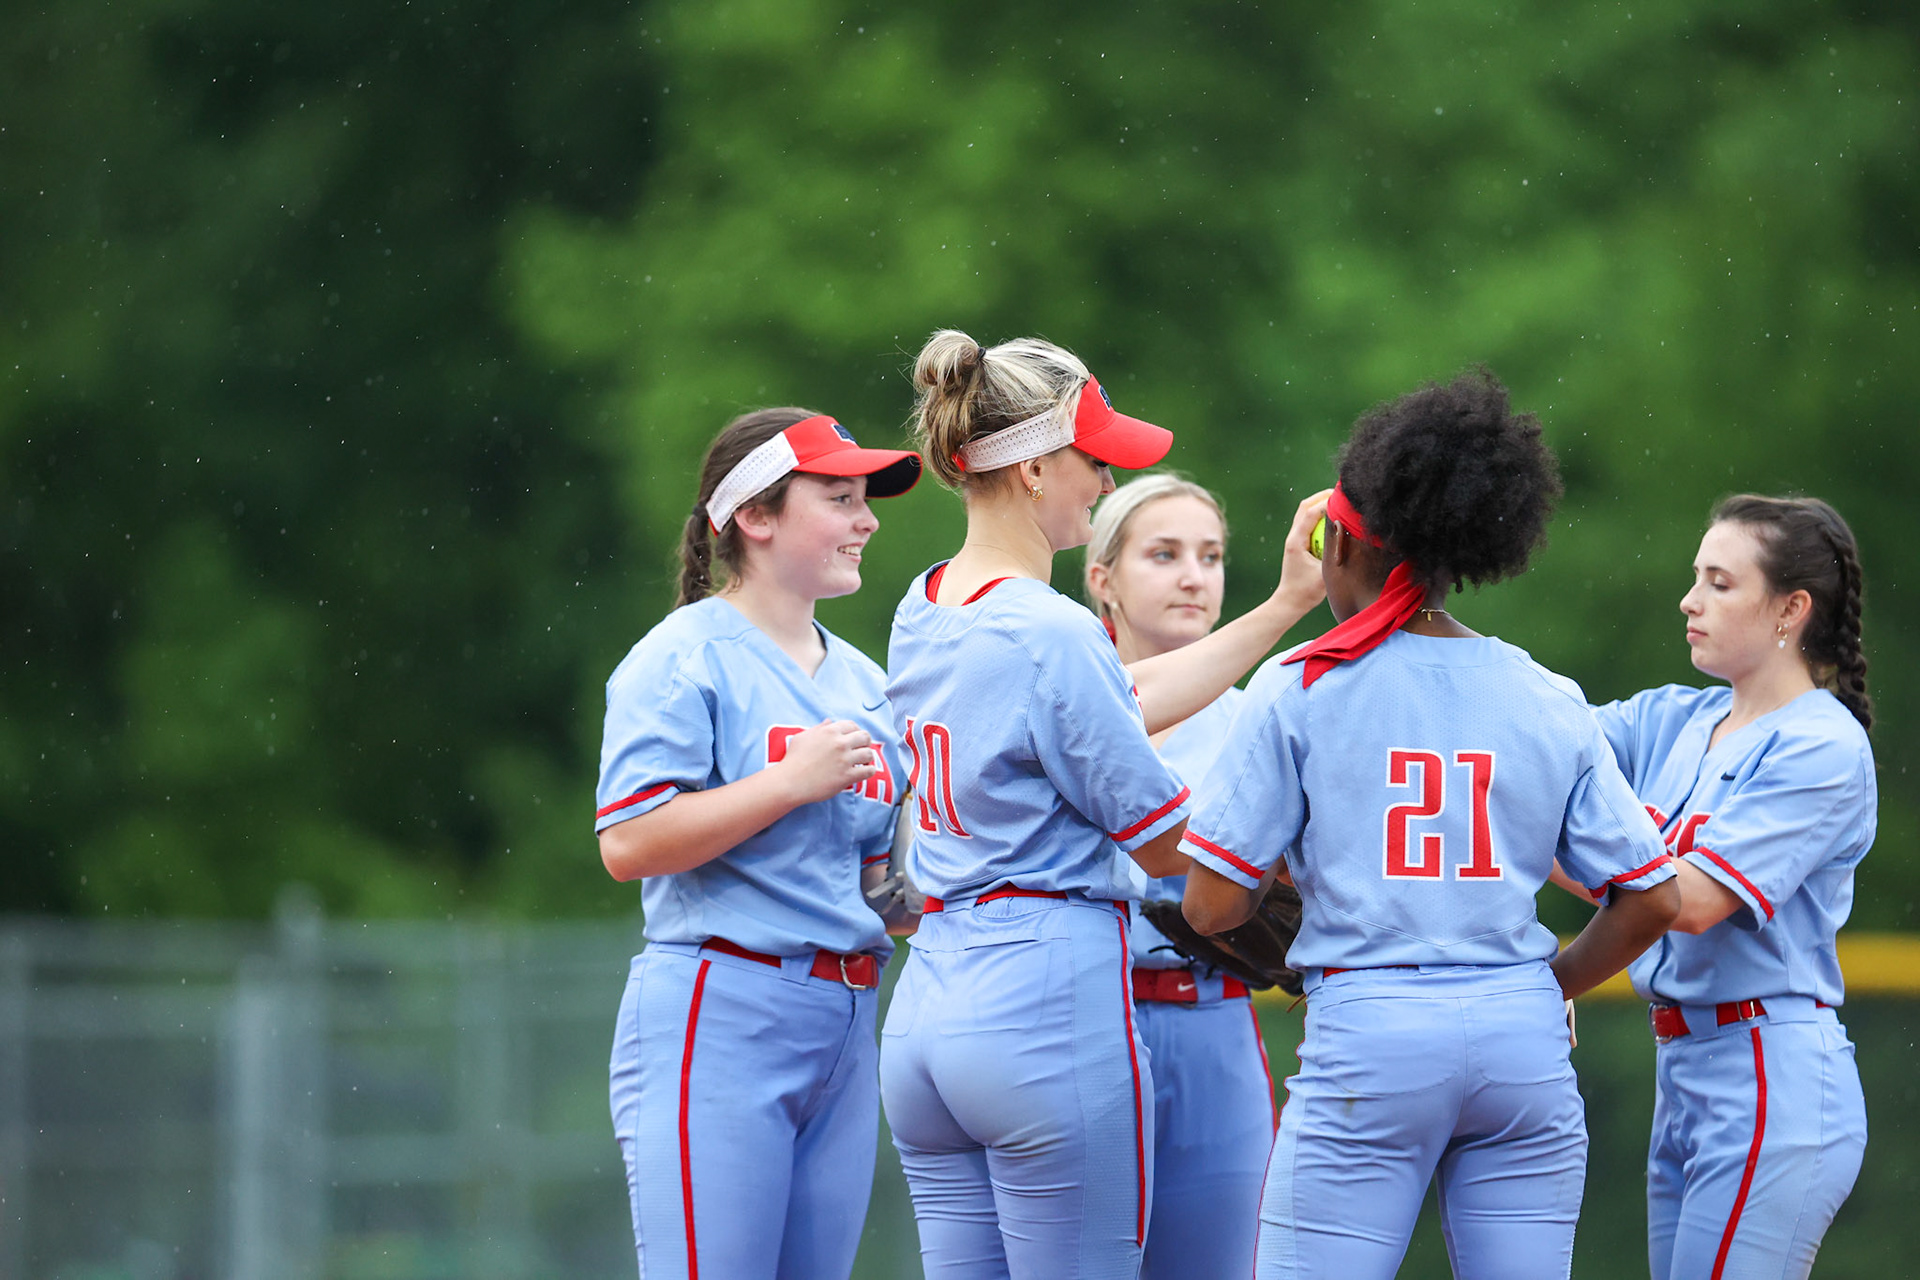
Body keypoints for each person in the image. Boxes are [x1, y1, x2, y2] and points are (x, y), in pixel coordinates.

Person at [1180, 369, 1681, 1280]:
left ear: (1342, 547)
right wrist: (1547, 987)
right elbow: (1653, 899)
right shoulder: (1546, 692)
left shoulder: (1301, 685)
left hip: (1373, 1031)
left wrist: (1291, 878)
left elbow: (1211, 906)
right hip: (1521, 1042)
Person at [880, 329, 1329, 1277]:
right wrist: (1327, 895)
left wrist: (1285, 606)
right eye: (1091, 457)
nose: (1103, 477)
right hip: (1041, 1001)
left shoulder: (924, 601)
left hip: (930, 1005)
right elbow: (1164, 845)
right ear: (1034, 467)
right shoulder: (1054, 628)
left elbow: (1114, 702)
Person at [594, 407, 921, 1280]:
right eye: (840, 498)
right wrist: (785, 783)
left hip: (848, 1017)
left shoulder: (868, 684)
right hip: (724, 1006)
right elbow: (628, 842)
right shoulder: (682, 656)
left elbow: (882, 890)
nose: (867, 520)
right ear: (755, 516)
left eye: (864, 500)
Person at [1564, 494, 1874, 1280]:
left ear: (1791, 609)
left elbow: (1690, 904)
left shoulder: (1821, 744)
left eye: (1719, 582)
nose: (1689, 600)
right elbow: (1527, 740)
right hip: (1685, 1070)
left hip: (1769, 1076)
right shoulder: (1670, 719)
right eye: (1696, 576)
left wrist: (1550, 968)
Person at [1083, 472, 1275, 1280]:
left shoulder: (1260, 720)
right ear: (1103, 578)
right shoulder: (1060, 702)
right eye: (1164, 555)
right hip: (1080, 1018)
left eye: (1211, 556)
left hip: (1213, 1020)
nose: (1195, 576)